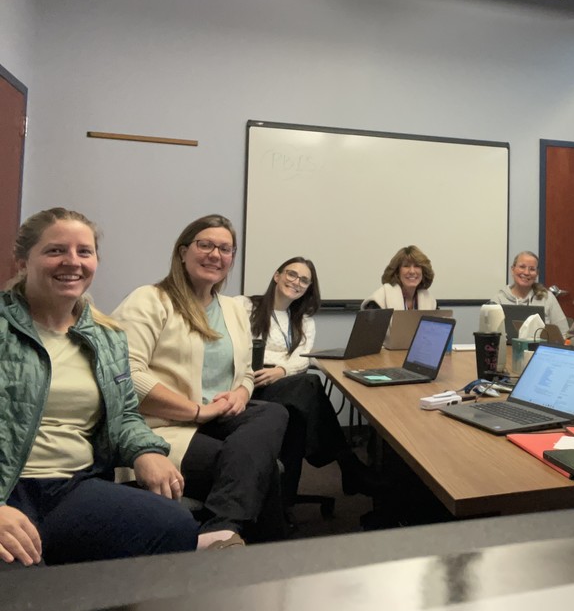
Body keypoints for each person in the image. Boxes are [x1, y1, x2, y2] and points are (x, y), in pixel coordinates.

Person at [1, 208, 197, 567]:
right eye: (55, 250)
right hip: (8, 490)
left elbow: (124, 414)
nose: (72, 262)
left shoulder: (106, 337)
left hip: (70, 488)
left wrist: (145, 451)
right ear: (23, 261)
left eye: (84, 252)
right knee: (25, 584)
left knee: (174, 526)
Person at [113, 214, 288, 549]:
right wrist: (195, 411)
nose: (215, 255)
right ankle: (238, 538)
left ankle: (222, 527)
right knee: (261, 468)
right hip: (164, 425)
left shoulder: (234, 309)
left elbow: (246, 372)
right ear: (183, 252)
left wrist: (241, 393)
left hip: (216, 418)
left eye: (225, 249)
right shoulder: (150, 300)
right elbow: (125, 375)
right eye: (205, 245)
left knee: (274, 412)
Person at [238, 258, 382, 501]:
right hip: (250, 383)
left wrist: (281, 370)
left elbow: (303, 359)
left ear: (308, 288)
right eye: (291, 274)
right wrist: (280, 365)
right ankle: (348, 465)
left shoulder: (304, 321)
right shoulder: (245, 306)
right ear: (277, 276)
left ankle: (286, 501)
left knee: (300, 410)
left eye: (304, 280)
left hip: (283, 383)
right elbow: (242, 347)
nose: (296, 282)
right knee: (309, 385)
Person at [491, 251, 569, 335]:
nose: (526, 273)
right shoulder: (498, 300)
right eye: (522, 267)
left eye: (532, 269)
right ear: (513, 270)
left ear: (537, 274)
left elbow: (564, 333)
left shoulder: (547, 298)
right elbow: (490, 334)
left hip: (542, 343)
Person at [361, 246, 436, 311]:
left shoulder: (429, 301)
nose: (412, 271)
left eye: (417, 266)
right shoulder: (379, 300)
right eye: (406, 266)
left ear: (423, 271)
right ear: (397, 271)